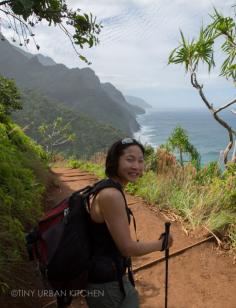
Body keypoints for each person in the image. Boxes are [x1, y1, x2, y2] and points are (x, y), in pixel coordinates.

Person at [85, 138, 173, 308]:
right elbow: (127, 248)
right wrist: (162, 244)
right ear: (114, 160)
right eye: (130, 159)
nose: (137, 166)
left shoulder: (105, 187)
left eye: (140, 161)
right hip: (107, 285)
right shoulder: (111, 195)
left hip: (107, 277)